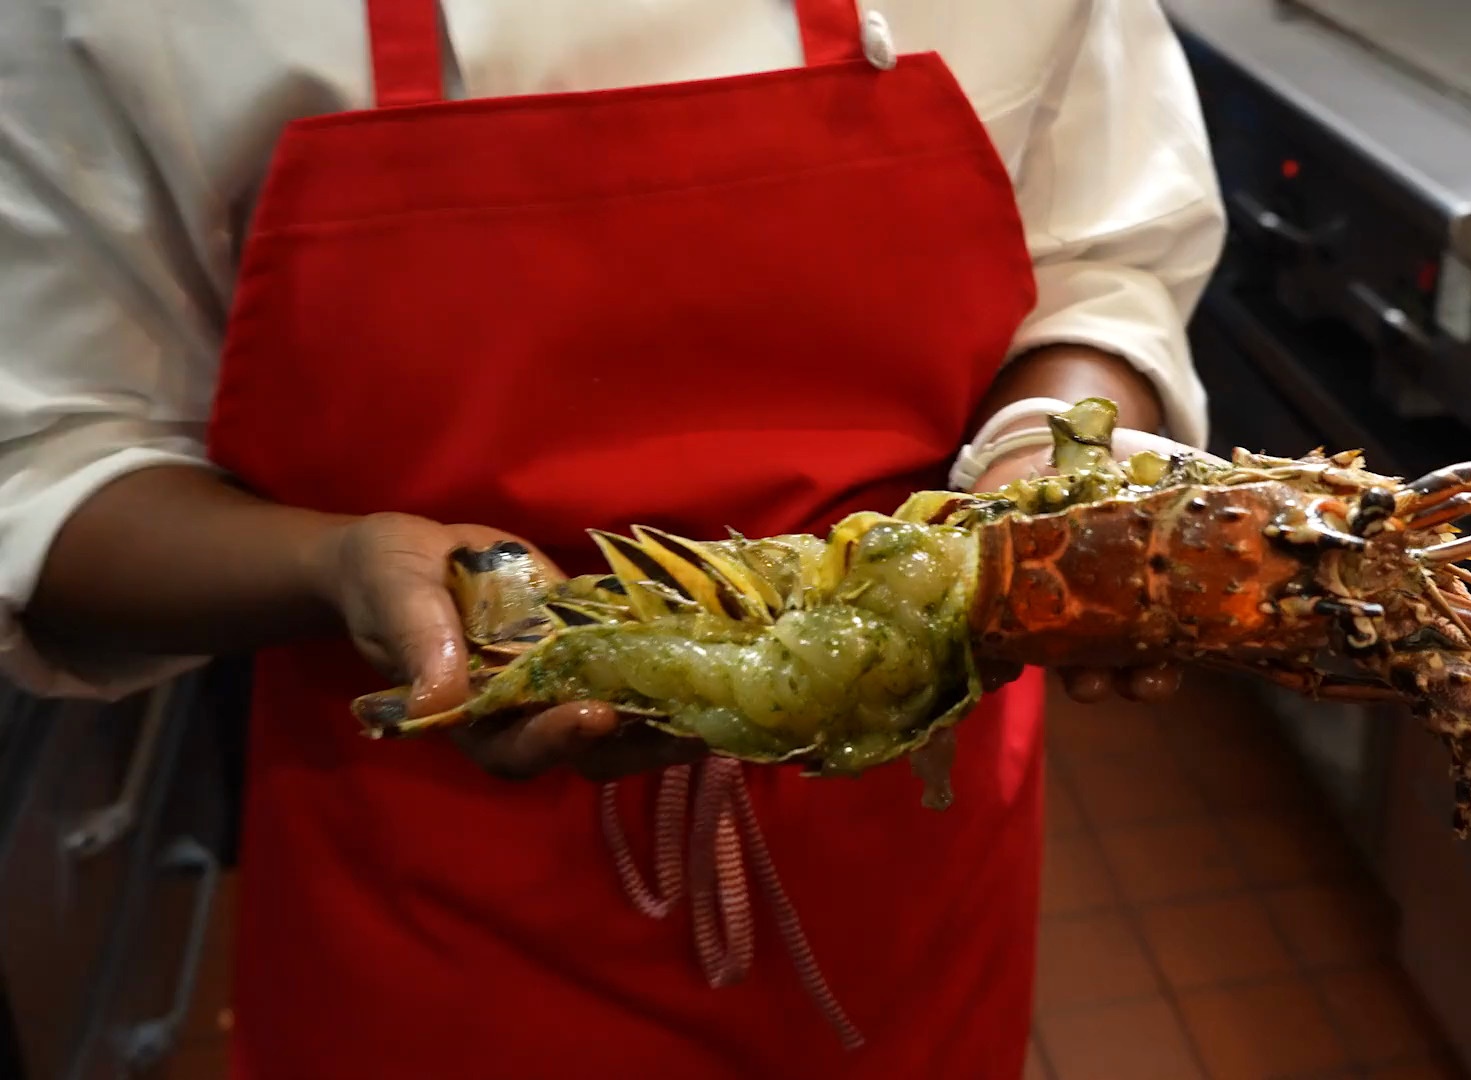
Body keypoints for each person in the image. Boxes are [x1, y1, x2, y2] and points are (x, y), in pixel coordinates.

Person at [0, 1, 1225, 1076]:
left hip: (903, 870)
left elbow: (1100, 259)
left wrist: (1035, 470)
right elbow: (48, 459)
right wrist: (335, 567)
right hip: (428, 896)